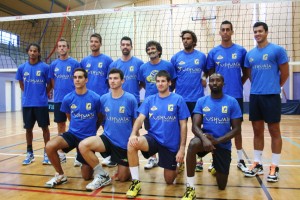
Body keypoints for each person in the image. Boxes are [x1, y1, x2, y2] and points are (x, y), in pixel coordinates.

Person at [126, 70, 190, 199]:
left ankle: (179, 164)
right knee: (132, 144)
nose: (160, 84)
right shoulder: (150, 100)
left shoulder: (178, 99)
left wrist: (182, 148)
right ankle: (135, 182)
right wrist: (133, 134)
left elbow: (183, 125)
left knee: (169, 180)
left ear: (169, 83)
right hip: (153, 138)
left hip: (171, 144)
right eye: (158, 81)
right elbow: (140, 118)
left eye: (163, 81)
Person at [181, 73, 242, 200]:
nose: (215, 83)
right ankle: (190, 188)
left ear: (223, 84)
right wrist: (204, 139)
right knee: (192, 145)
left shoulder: (232, 102)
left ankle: (216, 163)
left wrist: (216, 141)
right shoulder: (202, 101)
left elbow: (237, 129)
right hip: (205, 141)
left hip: (222, 142)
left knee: (221, 186)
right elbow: (195, 126)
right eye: (212, 81)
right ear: (208, 84)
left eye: (218, 81)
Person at [243, 22, 289, 182]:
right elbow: (250, 76)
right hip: (255, 96)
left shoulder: (277, 50)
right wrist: (260, 87)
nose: (257, 34)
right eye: (255, 31)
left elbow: (285, 74)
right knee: (257, 131)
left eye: (260, 31)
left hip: (271, 96)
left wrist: (274, 86)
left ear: (266, 32)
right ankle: (258, 163)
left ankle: (274, 166)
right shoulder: (250, 54)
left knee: (274, 131)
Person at [79, 68, 138, 191]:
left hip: (123, 144)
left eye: (116, 78)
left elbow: (135, 122)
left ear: (122, 80)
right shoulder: (103, 99)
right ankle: (102, 174)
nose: (112, 81)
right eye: (110, 78)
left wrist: (133, 144)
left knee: (122, 178)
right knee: (83, 145)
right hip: (107, 138)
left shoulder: (130, 99)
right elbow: (101, 117)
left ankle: (117, 160)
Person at [45, 68, 102, 187]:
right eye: (75, 77)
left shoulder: (95, 98)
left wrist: (93, 130)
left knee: (86, 177)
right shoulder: (68, 98)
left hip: (87, 139)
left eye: (80, 77)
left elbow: (100, 117)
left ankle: (86, 158)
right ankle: (60, 174)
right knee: (50, 146)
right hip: (72, 134)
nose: (77, 79)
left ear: (86, 79)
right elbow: (68, 116)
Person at [206, 20, 250, 172]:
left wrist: (237, 83)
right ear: (220, 32)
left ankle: (240, 159)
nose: (225, 32)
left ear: (232, 32)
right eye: (222, 30)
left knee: (236, 129)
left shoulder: (241, 51)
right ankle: (215, 160)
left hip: (236, 96)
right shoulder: (213, 52)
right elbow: (211, 75)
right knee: (216, 128)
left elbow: (246, 73)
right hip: (217, 98)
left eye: (228, 30)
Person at [171, 30, 207, 172]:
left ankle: (199, 159)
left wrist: (204, 77)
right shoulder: (176, 58)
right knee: (180, 130)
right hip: (180, 99)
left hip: (197, 99)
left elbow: (208, 70)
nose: (185, 41)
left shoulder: (201, 57)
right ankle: (179, 158)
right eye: (184, 39)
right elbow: (172, 78)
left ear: (193, 40)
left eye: (188, 38)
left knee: (198, 129)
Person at [105, 36, 143, 167]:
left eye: (128, 44)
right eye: (123, 44)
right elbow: (109, 82)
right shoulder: (114, 65)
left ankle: (145, 158)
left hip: (133, 102)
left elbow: (142, 82)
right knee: (112, 126)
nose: (125, 46)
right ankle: (113, 156)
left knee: (135, 130)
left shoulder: (138, 63)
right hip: (115, 101)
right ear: (120, 47)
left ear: (131, 47)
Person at [138, 40, 176, 170]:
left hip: (166, 103)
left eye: (153, 48)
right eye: (148, 49)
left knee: (170, 129)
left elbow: (173, 82)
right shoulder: (143, 67)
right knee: (151, 130)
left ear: (159, 50)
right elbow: (143, 83)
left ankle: (172, 155)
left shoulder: (168, 65)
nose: (150, 51)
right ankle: (153, 158)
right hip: (150, 104)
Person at [15, 43, 51, 165]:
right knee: (28, 129)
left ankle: (47, 153)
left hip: (41, 104)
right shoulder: (21, 68)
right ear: (28, 52)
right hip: (27, 104)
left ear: (39, 53)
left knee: (45, 128)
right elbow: (21, 84)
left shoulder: (45, 67)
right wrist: (29, 94)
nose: (32, 53)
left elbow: (50, 84)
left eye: (35, 51)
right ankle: (30, 153)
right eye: (30, 50)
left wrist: (42, 94)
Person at [49, 38, 80, 165]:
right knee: (60, 125)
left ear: (68, 48)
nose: (61, 48)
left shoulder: (74, 63)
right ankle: (61, 153)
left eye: (64, 46)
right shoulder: (53, 64)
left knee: (76, 125)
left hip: (73, 100)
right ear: (57, 48)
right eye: (59, 46)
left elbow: (79, 79)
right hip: (59, 100)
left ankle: (79, 153)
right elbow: (52, 81)